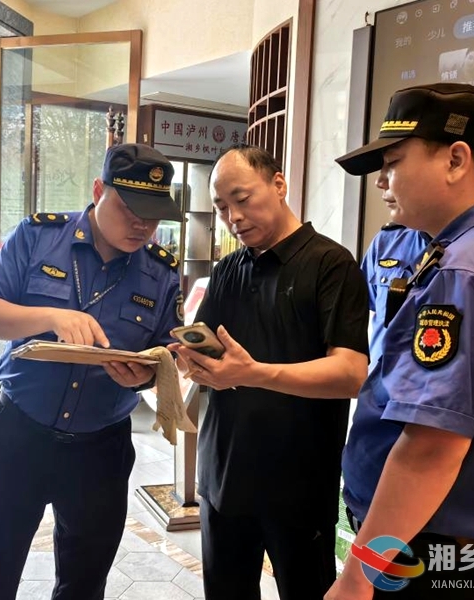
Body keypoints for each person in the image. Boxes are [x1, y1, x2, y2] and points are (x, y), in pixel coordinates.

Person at [329, 83, 474, 599]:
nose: (382, 181)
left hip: (429, 555)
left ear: (456, 159)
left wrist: (357, 575)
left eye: (393, 162)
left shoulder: (466, 270)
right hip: (457, 550)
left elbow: (431, 450)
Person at [0, 143, 184, 600]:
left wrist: (144, 375)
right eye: (129, 209)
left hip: (100, 449)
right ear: (98, 189)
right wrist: (49, 317)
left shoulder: (159, 272)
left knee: (84, 584)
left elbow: (166, 351)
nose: (142, 224)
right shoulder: (39, 236)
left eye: (154, 214)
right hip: (20, 433)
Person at [168, 144, 370, 600]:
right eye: (221, 207)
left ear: (278, 185)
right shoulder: (228, 268)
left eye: (242, 199)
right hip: (222, 476)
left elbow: (351, 373)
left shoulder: (331, 264)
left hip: (297, 484)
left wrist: (256, 372)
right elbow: (214, 355)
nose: (233, 217)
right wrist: (188, 361)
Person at [360, 223, 429, 368]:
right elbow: (373, 309)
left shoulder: (471, 246)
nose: (385, 198)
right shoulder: (387, 240)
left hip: (431, 381)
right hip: (378, 380)